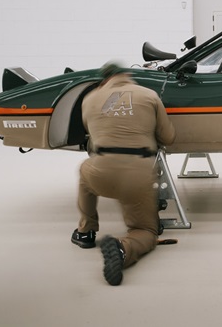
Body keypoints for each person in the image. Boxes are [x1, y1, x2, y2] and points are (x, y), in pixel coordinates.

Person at [71, 61, 176, 286]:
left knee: (84, 171)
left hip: (102, 170)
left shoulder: (89, 99)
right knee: (145, 231)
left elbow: (91, 135)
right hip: (138, 172)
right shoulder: (148, 95)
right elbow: (168, 137)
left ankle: (86, 231)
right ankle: (123, 248)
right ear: (127, 75)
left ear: (104, 79)